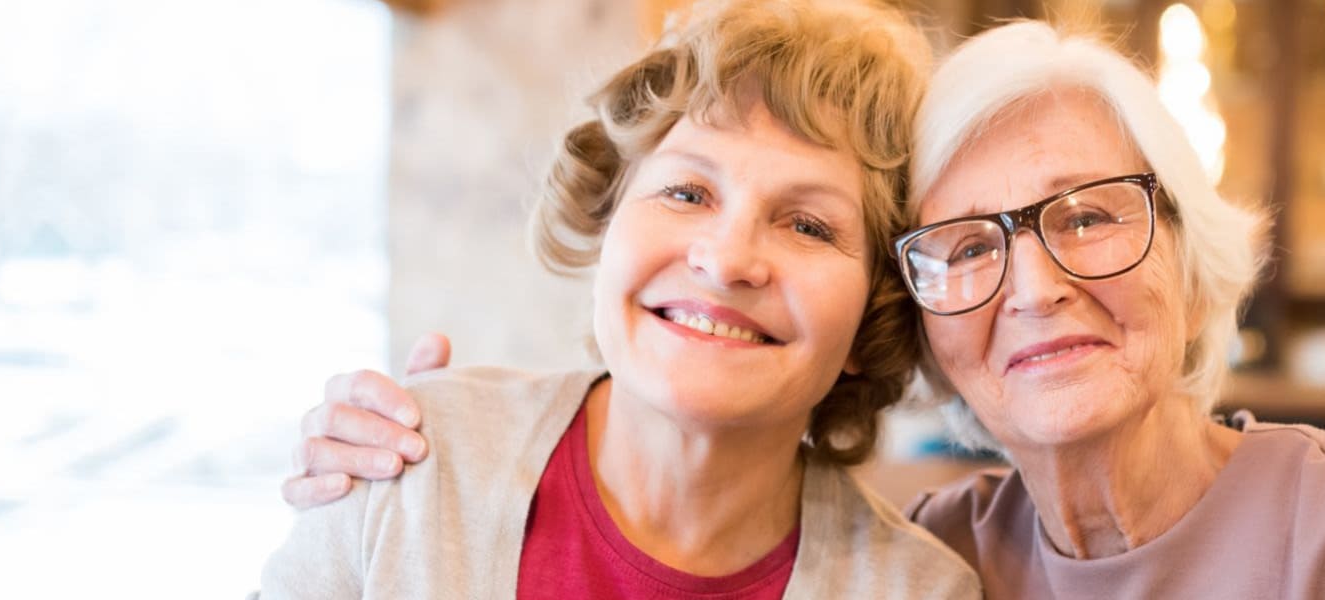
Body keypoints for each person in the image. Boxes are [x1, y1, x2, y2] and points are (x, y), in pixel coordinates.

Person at [289, 19, 1325, 600]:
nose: (1033, 284)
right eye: (969, 245)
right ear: (923, 310)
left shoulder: (918, 585)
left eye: (1086, 215)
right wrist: (393, 454)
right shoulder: (415, 471)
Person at [259, 1, 979, 597]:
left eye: (808, 225)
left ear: (874, 314)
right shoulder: (411, 465)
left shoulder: (918, 589)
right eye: (687, 192)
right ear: (607, 218)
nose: (727, 261)